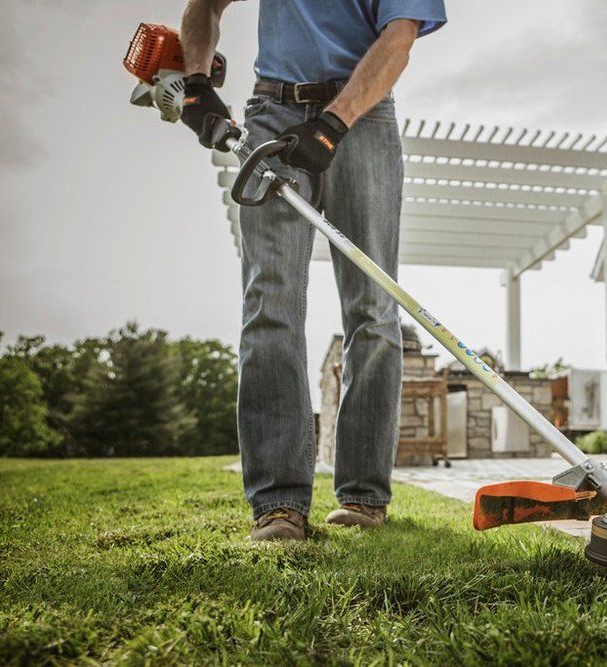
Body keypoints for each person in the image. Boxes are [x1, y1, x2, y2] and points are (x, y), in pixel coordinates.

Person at [178, 0, 446, 540]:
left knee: (372, 308)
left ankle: (364, 496)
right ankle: (278, 503)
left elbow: (399, 37)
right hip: (271, 113)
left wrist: (332, 123)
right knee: (269, 303)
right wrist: (195, 83)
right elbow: (204, 6)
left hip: (364, 119)